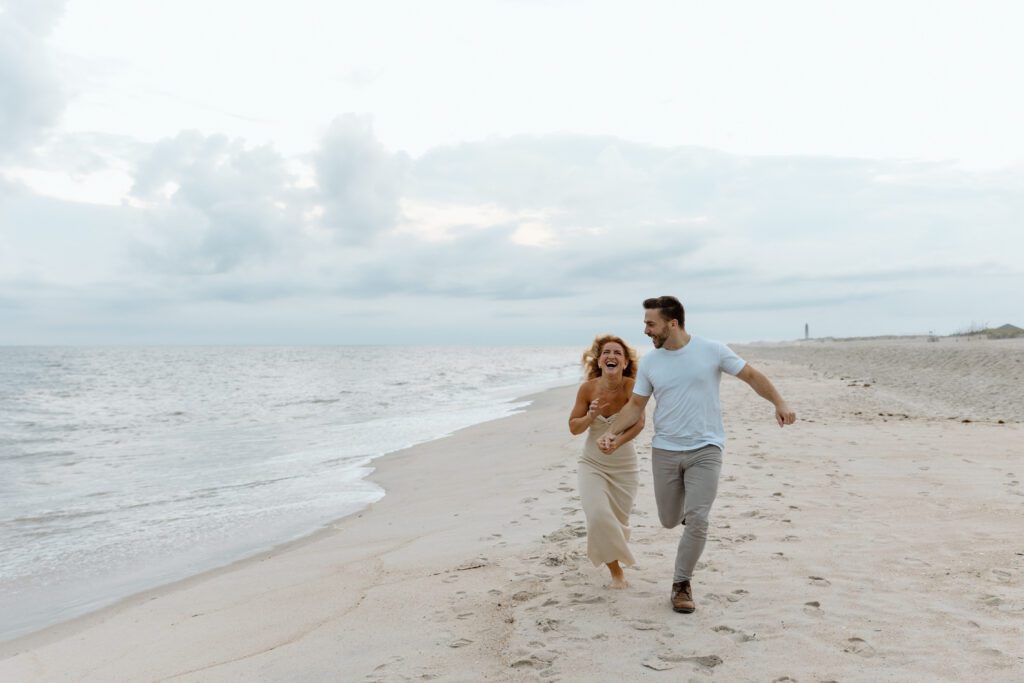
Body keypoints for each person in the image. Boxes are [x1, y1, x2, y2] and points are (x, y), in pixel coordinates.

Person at [598, 296, 796, 613]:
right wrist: (612, 431)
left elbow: (751, 376)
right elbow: (636, 406)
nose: (646, 329)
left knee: (699, 520)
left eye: (651, 323)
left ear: (671, 323)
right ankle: (689, 515)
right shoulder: (650, 362)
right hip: (665, 450)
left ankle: (681, 584)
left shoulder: (712, 350)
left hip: (706, 448)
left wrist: (780, 403)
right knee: (667, 519)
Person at [568, 334, 646, 589]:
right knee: (599, 515)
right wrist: (591, 417)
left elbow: (640, 422)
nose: (611, 356)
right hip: (592, 463)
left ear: (624, 363)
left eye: (618, 353)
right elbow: (573, 428)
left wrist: (617, 441)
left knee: (617, 521)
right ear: (599, 361)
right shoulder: (587, 389)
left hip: (624, 465)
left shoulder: (631, 387)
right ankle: (617, 573)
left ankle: (613, 557)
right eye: (606, 353)